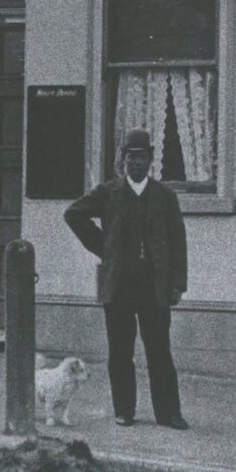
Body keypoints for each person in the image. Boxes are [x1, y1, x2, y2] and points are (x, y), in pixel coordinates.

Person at [64, 127, 189, 429]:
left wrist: (177, 285)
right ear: (123, 161)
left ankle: (169, 413)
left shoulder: (165, 196)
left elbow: (178, 242)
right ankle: (124, 410)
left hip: (153, 287)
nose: (136, 163)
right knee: (120, 351)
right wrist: (104, 248)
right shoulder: (109, 192)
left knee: (159, 350)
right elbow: (74, 214)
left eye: (142, 157)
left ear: (150, 160)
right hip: (119, 286)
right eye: (131, 157)